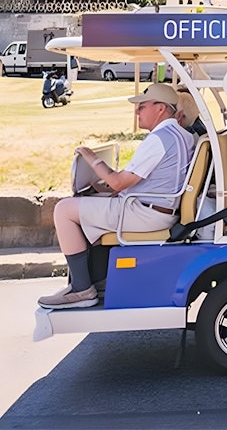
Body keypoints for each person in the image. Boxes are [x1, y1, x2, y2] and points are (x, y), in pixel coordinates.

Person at [39, 83, 194, 309]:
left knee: (63, 210)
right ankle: (98, 280)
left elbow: (119, 182)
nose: (136, 111)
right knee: (88, 205)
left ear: (160, 108)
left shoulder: (159, 139)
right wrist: (105, 188)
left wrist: (91, 157)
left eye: (142, 106)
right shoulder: (182, 135)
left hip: (145, 214)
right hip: (157, 208)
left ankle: (82, 290)